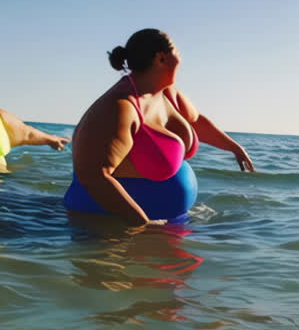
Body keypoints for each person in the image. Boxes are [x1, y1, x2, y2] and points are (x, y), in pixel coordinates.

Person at [64, 29, 253, 224]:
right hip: (107, 223)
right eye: (177, 53)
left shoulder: (167, 93)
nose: (181, 58)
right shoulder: (120, 108)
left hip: (163, 222)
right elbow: (94, 176)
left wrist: (234, 148)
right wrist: (141, 224)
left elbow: (195, 122)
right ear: (161, 58)